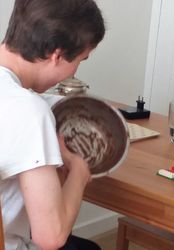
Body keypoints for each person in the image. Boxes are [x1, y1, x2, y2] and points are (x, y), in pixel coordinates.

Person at [0, 0, 105, 249]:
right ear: (57, 54)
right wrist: (79, 171)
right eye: (81, 60)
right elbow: (50, 237)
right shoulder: (28, 111)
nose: (75, 71)